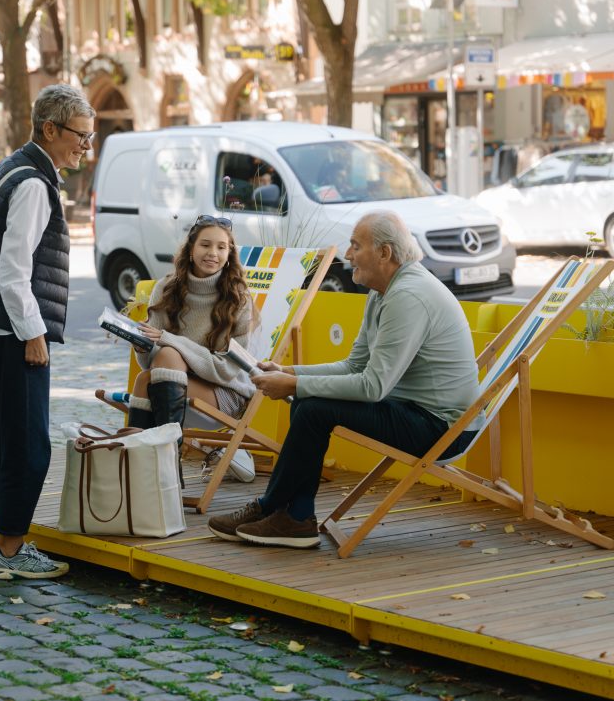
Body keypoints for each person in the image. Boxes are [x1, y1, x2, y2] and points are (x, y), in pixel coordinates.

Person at [207, 210, 483, 549]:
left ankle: (280, 511)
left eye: (355, 246)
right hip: (415, 411)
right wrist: (292, 373)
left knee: (312, 408)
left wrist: (295, 386)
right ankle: (292, 516)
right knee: (309, 403)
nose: (347, 254)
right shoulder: (384, 291)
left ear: (385, 253)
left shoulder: (408, 296)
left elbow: (372, 386)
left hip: (442, 428)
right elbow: (355, 365)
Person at [0, 84, 95, 579]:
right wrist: (33, 335)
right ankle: (10, 550)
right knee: (28, 440)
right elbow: (14, 271)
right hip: (11, 331)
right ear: (50, 129)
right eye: (80, 136)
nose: (85, 147)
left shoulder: (11, 166)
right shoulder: (33, 183)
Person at [128, 216, 256, 484]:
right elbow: (150, 363)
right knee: (146, 376)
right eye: (205, 245)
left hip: (226, 390)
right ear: (190, 249)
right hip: (170, 382)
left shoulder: (238, 299)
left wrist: (172, 341)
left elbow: (228, 370)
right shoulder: (167, 288)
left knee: (168, 354)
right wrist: (142, 344)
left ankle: (157, 471)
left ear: (229, 253)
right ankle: (140, 468)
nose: (213, 253)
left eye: (222, 247)